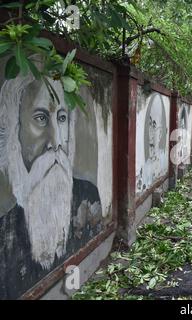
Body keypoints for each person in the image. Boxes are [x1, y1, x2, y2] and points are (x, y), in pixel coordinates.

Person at [0, 73, 102, 299]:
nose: (56, 142)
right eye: (40, 118)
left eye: (62, 118)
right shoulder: (3, 235)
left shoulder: (89, 197)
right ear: (15, 131)